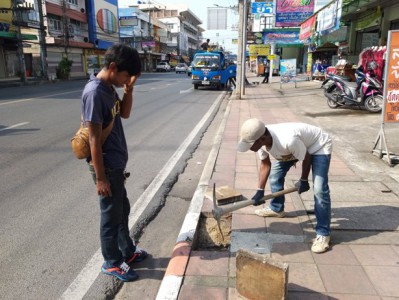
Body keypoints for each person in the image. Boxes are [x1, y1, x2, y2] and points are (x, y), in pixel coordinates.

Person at [82, 44, 148, 282]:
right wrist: (100, 178)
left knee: (122, 210)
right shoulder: (94, 93)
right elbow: (93, 140)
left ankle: (127, 252)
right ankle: (111, 262)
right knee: (110, 216)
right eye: (125, 76)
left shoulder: (109, 88)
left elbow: (124, 115)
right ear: (112, 67)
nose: (125, 81)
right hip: (106, 167)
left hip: (116, 165)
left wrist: (129, 91)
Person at [237, 119, 333, 254]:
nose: (250, 148)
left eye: (251, 145)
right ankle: (277, 208)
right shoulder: (260, 141)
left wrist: (304, 179)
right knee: (275, 175)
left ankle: (323, 233)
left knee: (319, 189)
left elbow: (306, 157)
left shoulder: (287, 139)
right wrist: (260, 191)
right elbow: (265, 164)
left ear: (262, 138)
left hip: (318, 145)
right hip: (295, 149)